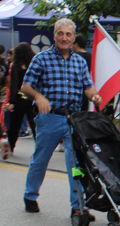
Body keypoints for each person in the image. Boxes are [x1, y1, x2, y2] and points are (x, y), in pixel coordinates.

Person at [21, 18, 102, 214]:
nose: (64, 38)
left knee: (75, 163)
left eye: (68, 34)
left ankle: (78, 206)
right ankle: (30, 195)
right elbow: (25, 86)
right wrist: (39, 97)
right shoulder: (41, 59)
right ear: (54, 36)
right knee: (41, 159)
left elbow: (88, 87)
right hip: (50, 118)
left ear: (73, 38)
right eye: (60, 33)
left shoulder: (79, 62)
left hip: (73, 119)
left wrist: (95, 96)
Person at [5, 43, 37, 153]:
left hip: (20, 98)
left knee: (14, 124)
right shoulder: (33, 63)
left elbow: (14, 86)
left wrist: (11, 101)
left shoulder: (15, 65)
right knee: (35, 125)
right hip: (32, 97)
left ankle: (10, 147)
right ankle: (40, 149)